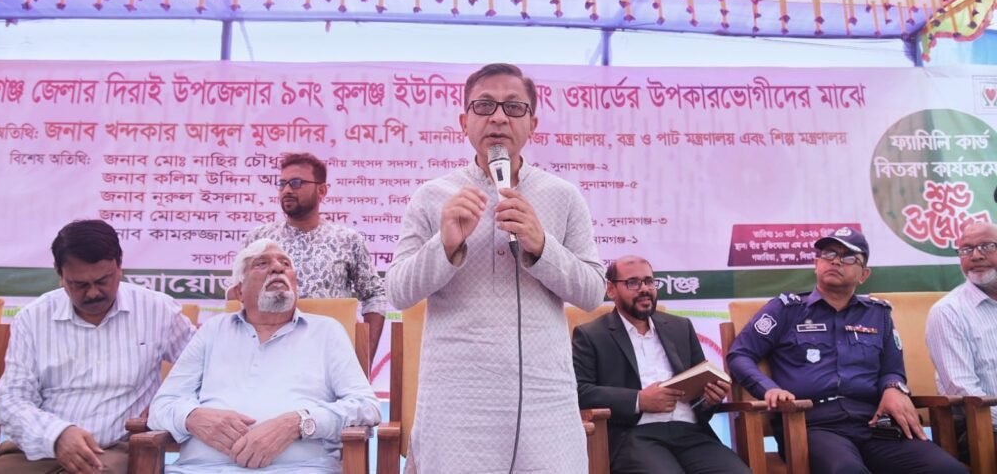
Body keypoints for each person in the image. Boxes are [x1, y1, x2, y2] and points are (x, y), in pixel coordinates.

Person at [386, 63, 605, 472]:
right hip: (457, 402)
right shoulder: (433, 196)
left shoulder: (563, 196)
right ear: (464, 122)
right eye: (484, 105)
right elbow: (398, 291)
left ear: (533, 124)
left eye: (514, 107)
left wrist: (542, 246)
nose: (499, 117)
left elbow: (593, 292)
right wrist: (444, 244)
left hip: (545, 398)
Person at [726, 227, 964, 474]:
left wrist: (893, 388)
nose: (836, 261)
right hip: (810, 424)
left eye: (849, 257)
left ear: (864, 274)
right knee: (847, 470)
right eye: (829, 254)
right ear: (816, 263)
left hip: (873, 423)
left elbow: (892, 370)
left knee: (947, 469)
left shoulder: (878, 314)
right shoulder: (786, 310)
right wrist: (769, 389)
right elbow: (740, 354)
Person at [147, 238, 380, 473]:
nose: (277, 268)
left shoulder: (326, 331)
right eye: (261, 264)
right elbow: (161, 406)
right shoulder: (213, 331)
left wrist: (298, 423)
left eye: (285, 264)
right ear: (239, 291)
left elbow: (365, 406)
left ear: (295, 285)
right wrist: (192, 417)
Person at [0, 219, 195, 474]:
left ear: (119, 267)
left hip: (117, 450)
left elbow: (205, 370)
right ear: (60, 276)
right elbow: (9, 398)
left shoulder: (157, 310)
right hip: (39, 451)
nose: (93, 293)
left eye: (103, 280)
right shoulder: (33, 318)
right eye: (80, 284)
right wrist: (57, 435)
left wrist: (167, 404)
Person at [573, 255, 750, 474]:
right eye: (633, 282)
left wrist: (709, 399)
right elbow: (581, 392)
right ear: (611, 290)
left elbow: (699, 390)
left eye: (649, 281)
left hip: (690, 432)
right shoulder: (592, 335)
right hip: (634, 435)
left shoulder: (680, 327)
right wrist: (639, 400)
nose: (644, 289)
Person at [243, 152, 387, 360]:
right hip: (267, 356)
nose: (287, 190)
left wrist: (364, 358)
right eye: (282, 184)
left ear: (322, 190)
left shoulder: (347, 240)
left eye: (296, 183)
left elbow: (374, 295)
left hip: (329, 358)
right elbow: (238, 295)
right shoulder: (258, 239)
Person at [925, 221, 997, 460]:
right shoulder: (948, 312)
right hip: (978, 428)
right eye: (966, 249)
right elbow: (964, 392)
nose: (975, 256)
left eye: (987, 246)